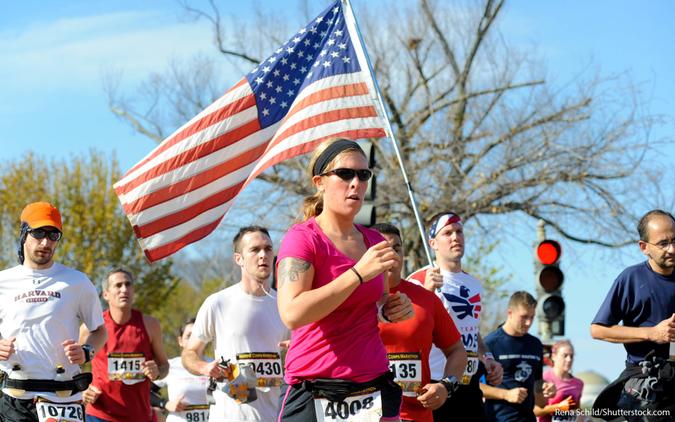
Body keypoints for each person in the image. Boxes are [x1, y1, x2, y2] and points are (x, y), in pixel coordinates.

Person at [275, 138, 414, 421]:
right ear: (320, 182)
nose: (356, 183)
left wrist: (390, 309)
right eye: (345, 174)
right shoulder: (302, 239)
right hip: (315, 386)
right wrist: (357, 274)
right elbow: (292, 313)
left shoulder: (374, 240)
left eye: (363, 175)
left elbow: (375, 302)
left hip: (373, 384)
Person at [0, 201, 107, 422]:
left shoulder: (77, 281)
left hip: (64, 397)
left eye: (53, 235)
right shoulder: (3, 281)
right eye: (38, 233)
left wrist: (87, 351)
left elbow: (99, 330)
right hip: (16, 397)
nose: (45, 242)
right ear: (23, 234)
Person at [182, 226, 290, 421]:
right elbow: (189, 354)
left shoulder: (285, 303)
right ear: (238, 259)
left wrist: (295, 349)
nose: (263, 255)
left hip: (275, 415)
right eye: (255, 250)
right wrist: (204, 368)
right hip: (230, 415)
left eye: (268, 249)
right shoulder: (218, 303)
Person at [407, 211, 503, 421]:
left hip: (468, 382)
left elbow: (471, 331)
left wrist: (488, 359)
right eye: (447, 233)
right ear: (432, 242)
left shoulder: (473, 283)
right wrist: (428, 292)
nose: (455, 237)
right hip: (435, 382)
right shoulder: (418, 280)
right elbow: (407, 329)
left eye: (459, 232)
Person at [373, 223, 468, 422]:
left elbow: (457, 350)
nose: (391, 255)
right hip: (365, 414)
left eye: (396, 248)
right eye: (382, 248)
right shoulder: (352, 299)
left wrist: (445, 385)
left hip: (416, 416)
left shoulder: (427, 299)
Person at [590, 209, 675, 419]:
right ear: (644, 247)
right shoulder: (631, 279)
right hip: (647, 385)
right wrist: (651, 333)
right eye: (663, 243)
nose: (672, 249)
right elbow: (597, 330)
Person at [82, 268, 170, 422]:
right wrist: (82, 390)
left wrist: (157, 372)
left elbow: (164, 366)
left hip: (139, 416)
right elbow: (72, 369)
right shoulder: (91, 327)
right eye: (118, 285)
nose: (124, 289)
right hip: (100, 415)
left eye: (128, 284)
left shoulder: (150, 325)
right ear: (106, 294)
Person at [484, 291, 556, 422]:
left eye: (532, 317)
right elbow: (474, 386)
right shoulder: (490, 343)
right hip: (497, 419)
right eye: (524, 317)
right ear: (510, 313)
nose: (528, 323)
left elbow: (537, 381)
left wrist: (546, 387)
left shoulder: (535, 344)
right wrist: (506, 395)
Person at [154, 319, 211, 422]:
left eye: (197, 336)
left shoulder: (214, 365)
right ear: (180, 341)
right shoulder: (170, 366)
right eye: (189, 336)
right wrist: (165, 404)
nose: (193, 340)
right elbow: (145, 391)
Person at [534, 340, 583, 422]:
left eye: (571, 356)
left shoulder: (578, 384)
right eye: (565, 355)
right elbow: (535, 411)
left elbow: (576, 409)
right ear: (554, 356)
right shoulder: (543, 379)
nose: (569, 359)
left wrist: (581, 416)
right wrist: (558, 407)